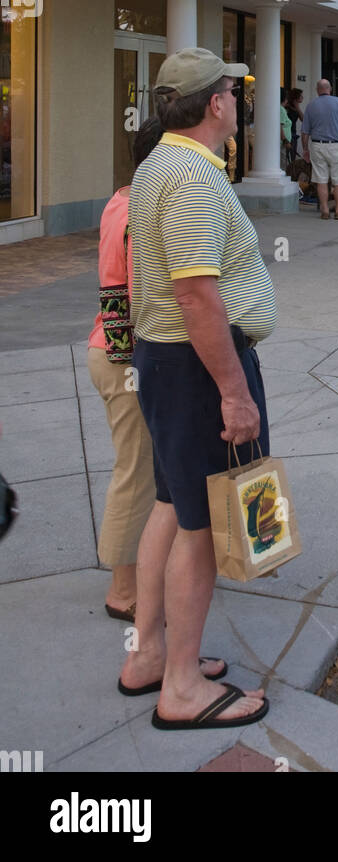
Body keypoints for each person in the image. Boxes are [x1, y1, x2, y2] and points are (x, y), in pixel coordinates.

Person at [119, 47, 276, 729]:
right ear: (215, 103)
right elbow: (196, 296)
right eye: (234, 93)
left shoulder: (163, 164)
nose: (239, 103)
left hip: (171, 364)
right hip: (196, 368)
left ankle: (150, 653)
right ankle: (180, 689)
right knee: (206, 527)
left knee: (170, 505)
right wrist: (234, 392)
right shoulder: (188, 176)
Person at [88, 116, 163, 624]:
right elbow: (137, 293)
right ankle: (122, 589)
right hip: (124, 355)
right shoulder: (143, 210)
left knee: (142, 467)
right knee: (136, 473)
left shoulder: (120, 199)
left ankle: (146, 576)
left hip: (112, 347)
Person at [301, 79, 338, 220]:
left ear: (317, 90)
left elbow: (305, 131)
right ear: (330, 89)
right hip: (336, 145)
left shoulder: (311, 105)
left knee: (321, 179)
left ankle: (324, 210)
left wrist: (305, 148)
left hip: (317, 145)